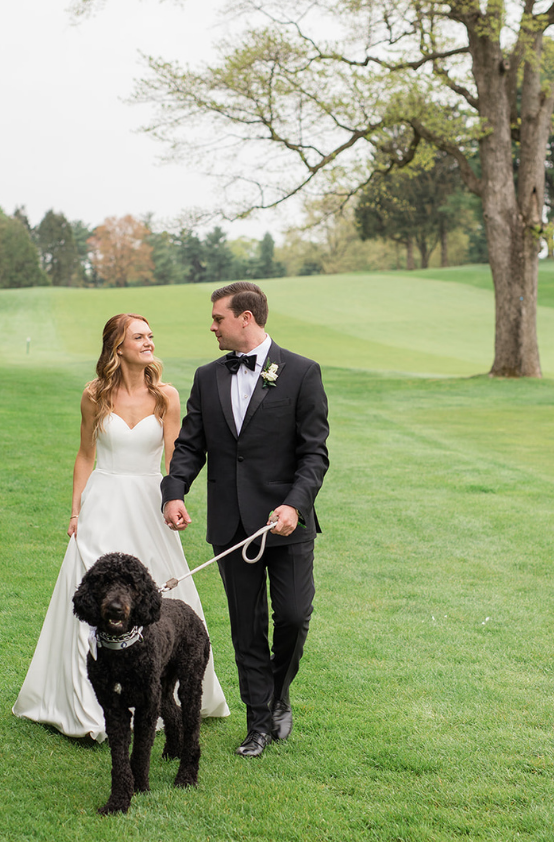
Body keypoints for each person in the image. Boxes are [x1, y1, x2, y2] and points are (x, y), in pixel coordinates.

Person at [14, 313, 230, 739]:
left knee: (158, 596)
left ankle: (162, 689)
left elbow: (174, 457)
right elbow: (85, 455)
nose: (149, 342)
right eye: (139, 337)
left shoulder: (165, 395)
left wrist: (176, 498)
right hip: (104, 502)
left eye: (151, 335)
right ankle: (86, 704)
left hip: (150, 504)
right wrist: (76, 511)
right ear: (117, 347)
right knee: (95, 592)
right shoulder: (94, 394)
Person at [161, 281, 328, 758]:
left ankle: (279, 694)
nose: (211, 326)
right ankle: (259, 723)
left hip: (287, 523)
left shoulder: (301, 372)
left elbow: (314, 453)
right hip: (232, 526)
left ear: (246, 318)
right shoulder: (207, 376)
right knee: (246, 628)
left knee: (294, 617)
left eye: (218, 318)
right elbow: (191, 445)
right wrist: (174, 491)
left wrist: (294, 505)